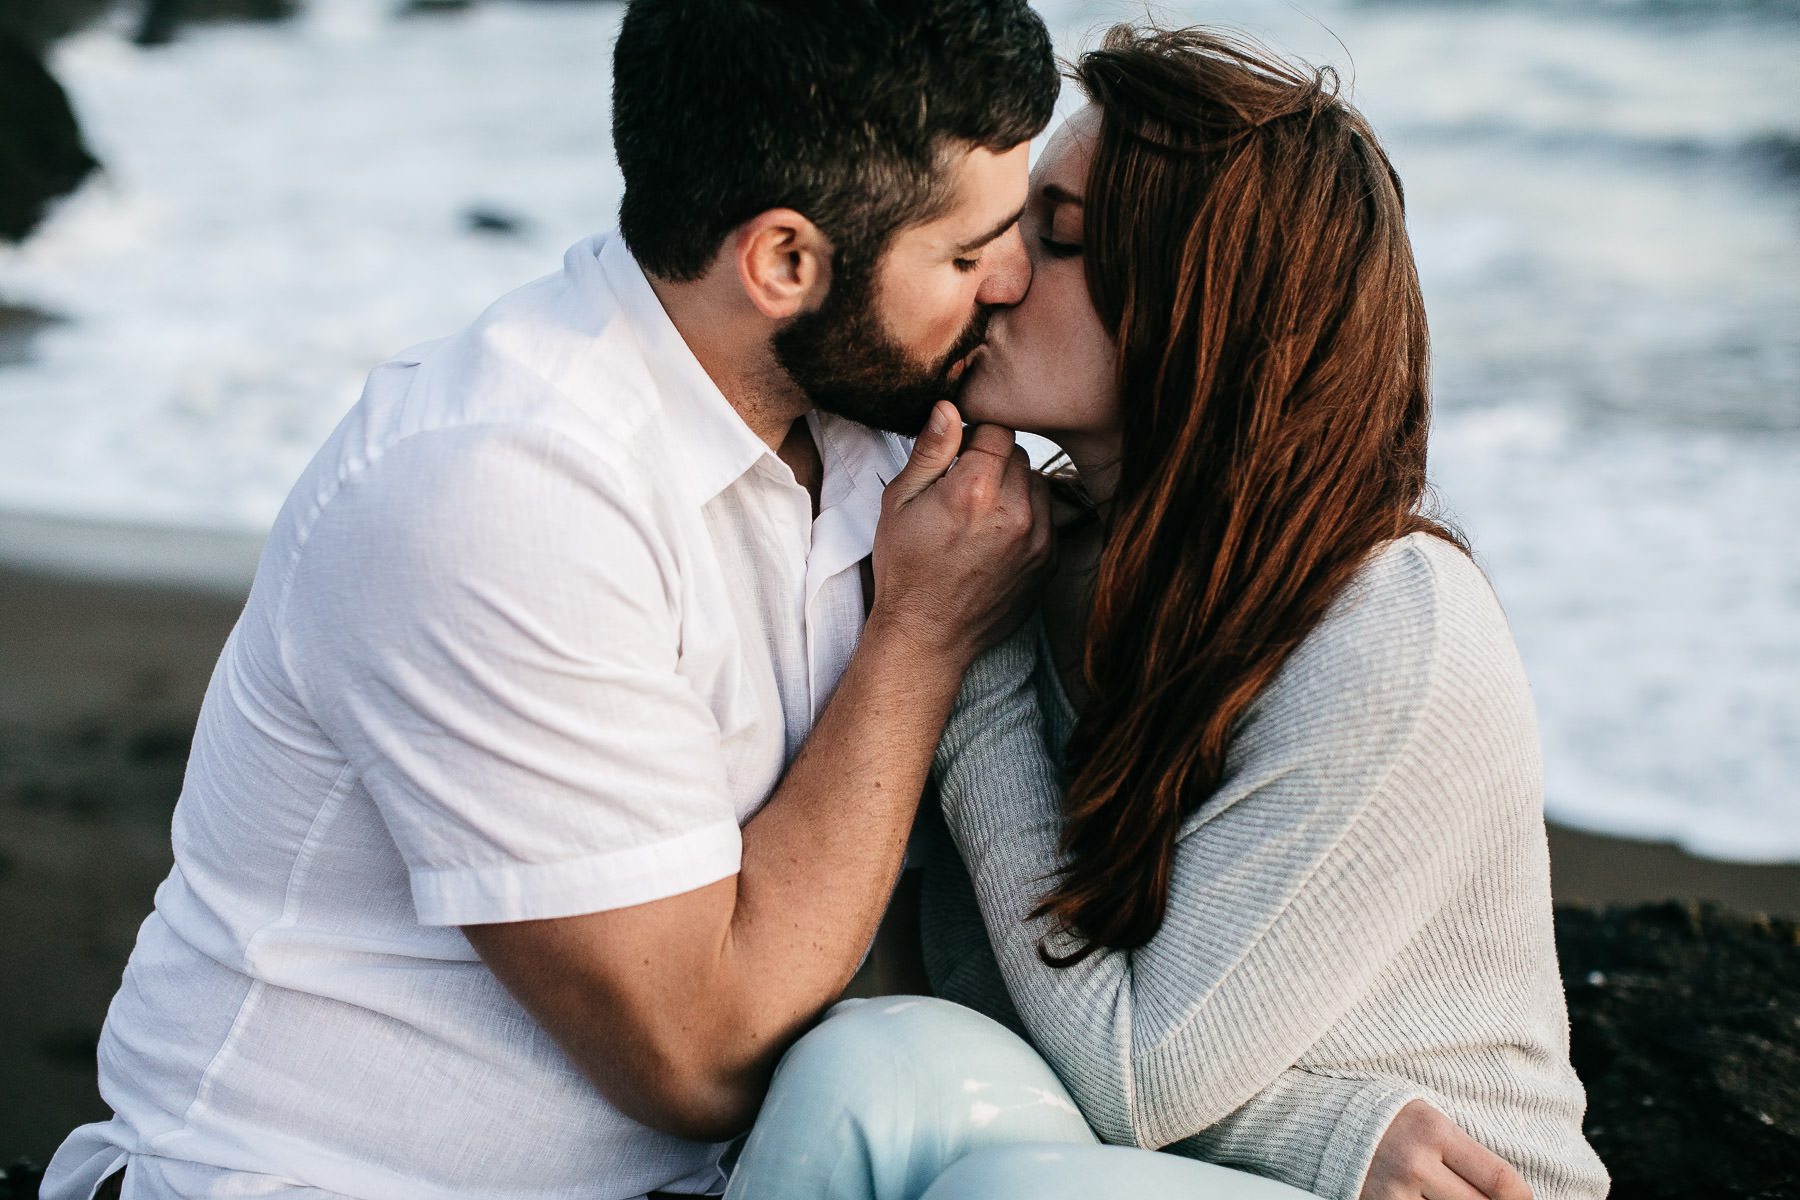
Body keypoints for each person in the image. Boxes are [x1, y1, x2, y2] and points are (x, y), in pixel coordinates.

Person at [41, 1, 1061, 1197]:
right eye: (965, 252)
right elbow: (697, 1053)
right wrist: (921, 638)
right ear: (785, 261)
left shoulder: (874, 432)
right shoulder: (501, 485)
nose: (1015, 278)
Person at [722, 26, 1611, 1200]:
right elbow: (971, 998)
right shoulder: (1005, 555)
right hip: (1154, 1156)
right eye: (1001, 228)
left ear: (1206, 308)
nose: (996, 274)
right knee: (868, 1070)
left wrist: (963, 650)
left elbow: (1134, 1080)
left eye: (1062, 238)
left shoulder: (1392, 623)